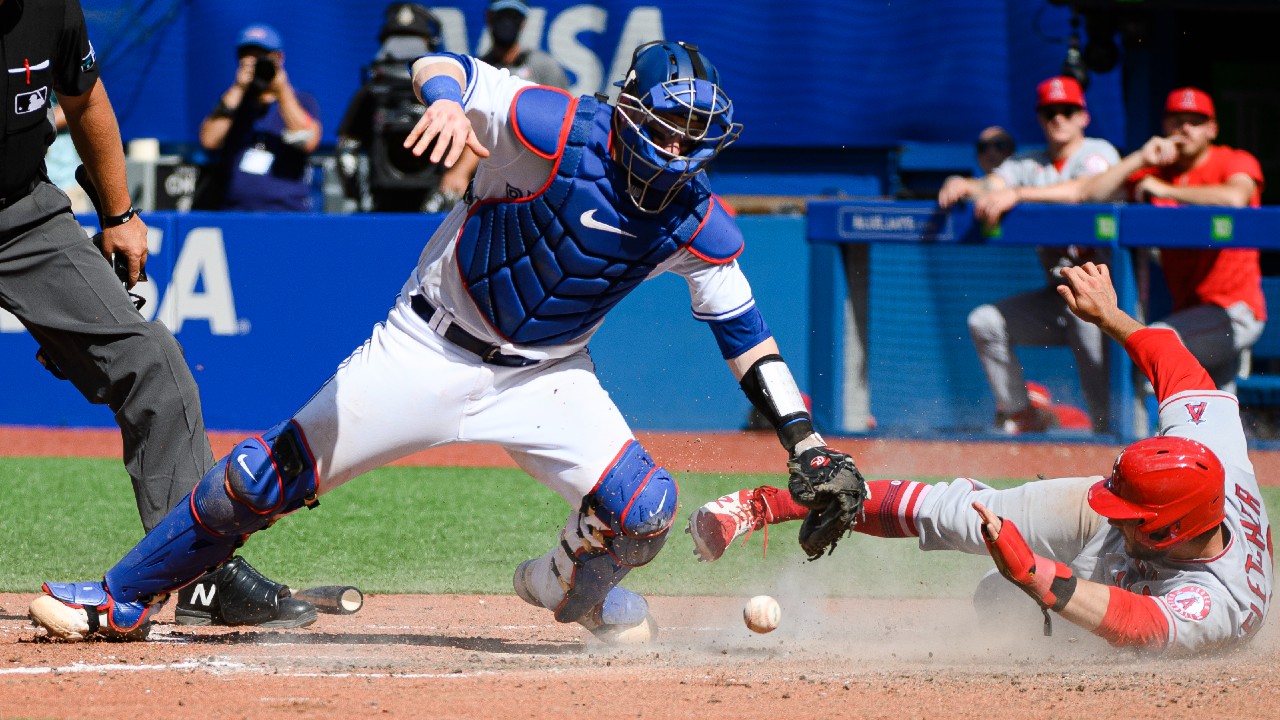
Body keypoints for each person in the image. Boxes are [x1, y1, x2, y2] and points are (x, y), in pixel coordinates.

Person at [28, 40, 861, 645]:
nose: (680, 152)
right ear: (634, 112)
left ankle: (560, 583)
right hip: (428, 347)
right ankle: (121, 596)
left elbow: (751, 341)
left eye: (695, 137)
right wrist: (444, 102)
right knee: (264, 477)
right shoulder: (556, 126)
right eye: (670, 129)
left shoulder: (695, 218)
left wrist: (808, 443)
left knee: (644, 513)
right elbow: (444, 64)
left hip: (546, 377)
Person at [690, 262, 1272, 655]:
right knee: (965, 511)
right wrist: (1108, 315)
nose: (1111, 512)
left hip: (1129, 600)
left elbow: (1135, 622)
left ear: (1170, 530)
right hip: (1145, 552)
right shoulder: (1206, 456)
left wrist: (1033, 576)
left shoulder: (1215, 603)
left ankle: (1023, 600)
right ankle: (770, 504)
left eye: (1127, 513)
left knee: (999, 601)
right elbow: (1173, 362)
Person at [1, 0, 313, 630]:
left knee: (153, 363)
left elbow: (85, 99)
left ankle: (199, 574)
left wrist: (118, 215)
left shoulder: (51, 6)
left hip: (21, 212)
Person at [939, 77, 1120, 434]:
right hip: (1062, 297)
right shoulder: (1029, 163)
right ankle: (1023, 415)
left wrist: (1018, 194)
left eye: (1067, 111)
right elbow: (994, 183)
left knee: (1105, 397)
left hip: (1107, 299)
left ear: (1083, 116)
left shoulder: (1098, 154)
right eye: (1049, 112)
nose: (1058, 119)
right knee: (985, 321)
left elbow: (1080, 192)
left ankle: (1114, 438)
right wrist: (965, 184)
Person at [1075, 87, 1266, 393]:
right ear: (1165, 127)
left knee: (1151, 350)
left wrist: (1167, 192)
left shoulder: (1233, 160)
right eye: (1177, 120)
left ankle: (1137, 439)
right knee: (1215, 404)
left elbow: (1234, 198)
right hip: (1192, 313)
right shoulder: (1156, 170)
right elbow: (1091, 195)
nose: (1185, 128)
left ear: (1212, 128)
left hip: (1233, 311)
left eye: (1195, 121)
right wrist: (1139, 158)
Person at [426, 0, 571, 213]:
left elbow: (564, 125)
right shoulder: (478, 70)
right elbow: (476, 125)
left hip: (536, 177)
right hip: (487, 183)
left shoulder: (544, 68)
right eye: (501, 16)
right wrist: (460, 171)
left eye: (514, 18)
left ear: (523, 23)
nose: (507, 24)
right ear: (489, 19)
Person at [335, 3, 448, 212]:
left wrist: (449, 189)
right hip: (380, 202)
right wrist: (360, 199)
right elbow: (346, 149)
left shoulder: (445, 96)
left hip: (435, 202)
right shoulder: (370, 95)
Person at [197, 23, 322, 212]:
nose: (255, 63)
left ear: (279, 58)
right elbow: (209, 140)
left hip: (287, 211)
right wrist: (238, 88)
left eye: (261, 56)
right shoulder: (233, 101)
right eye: (248, 57)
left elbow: (309, 140)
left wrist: (282, 90)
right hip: (236, 211)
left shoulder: (301, 100)